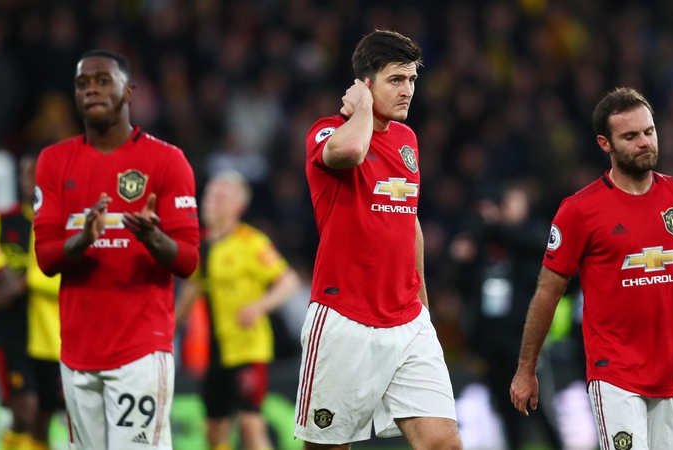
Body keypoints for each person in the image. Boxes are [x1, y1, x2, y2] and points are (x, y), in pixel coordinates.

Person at [510, 87, 673, 450]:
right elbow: (547, 293)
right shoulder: (579, 211)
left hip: (671, 375)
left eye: (649, 131)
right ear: (605, 143)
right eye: (630, 136)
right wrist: (526, 369)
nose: (645, 142)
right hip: (613, 374)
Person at [295, 30, 462, 449]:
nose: (408, 91)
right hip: (343, 316)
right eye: (395, 80)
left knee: (443, 443)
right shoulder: (327, 131)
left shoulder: (407, 140)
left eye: (411, 80)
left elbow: (409, 220)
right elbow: (350, 152)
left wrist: (422, 303)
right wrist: (364, 108)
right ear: (365, 83)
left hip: (407, 320)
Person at [33, 49, 199, 449]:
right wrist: (83, 239)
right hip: (76, 351)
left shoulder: (167, 160)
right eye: (82, 83)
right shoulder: (54, 161)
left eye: (103, 81)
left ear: (128, 92)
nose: (91, 89)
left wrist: (152, 237)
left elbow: (189, 261)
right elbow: (46, 259)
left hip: (140, 348)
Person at [175, 170, 302, 450]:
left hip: (248, 348)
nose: (212, 202)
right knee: (214, 431)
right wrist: (170, 326)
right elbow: (192, 290)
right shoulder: (201, 246)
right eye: (210, 195)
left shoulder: (251, 242)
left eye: (221, 197)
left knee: (249, 422)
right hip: (216, 351)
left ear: (238, 206)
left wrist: (259, 306)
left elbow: (289, 281)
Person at [452, 183, 562, 450]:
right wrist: (462, 261)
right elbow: (465, 287)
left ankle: (557, 445)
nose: (508, 208)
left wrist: (493, 225)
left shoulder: (532, 235)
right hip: (491, 337)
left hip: (522, 336)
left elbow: (532, 244)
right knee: (503, 404)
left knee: (539, 403)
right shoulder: (485, 243)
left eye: (514, 203)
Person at [0, 153, 63, 450]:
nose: (29, 181)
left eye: (36, 174)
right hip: (12, 332)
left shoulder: (61, 224)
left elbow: (62, 277)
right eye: (25, 174)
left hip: (51, 335)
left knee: (43, 421)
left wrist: (25, 282)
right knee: (25, 411)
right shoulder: (2, 221)